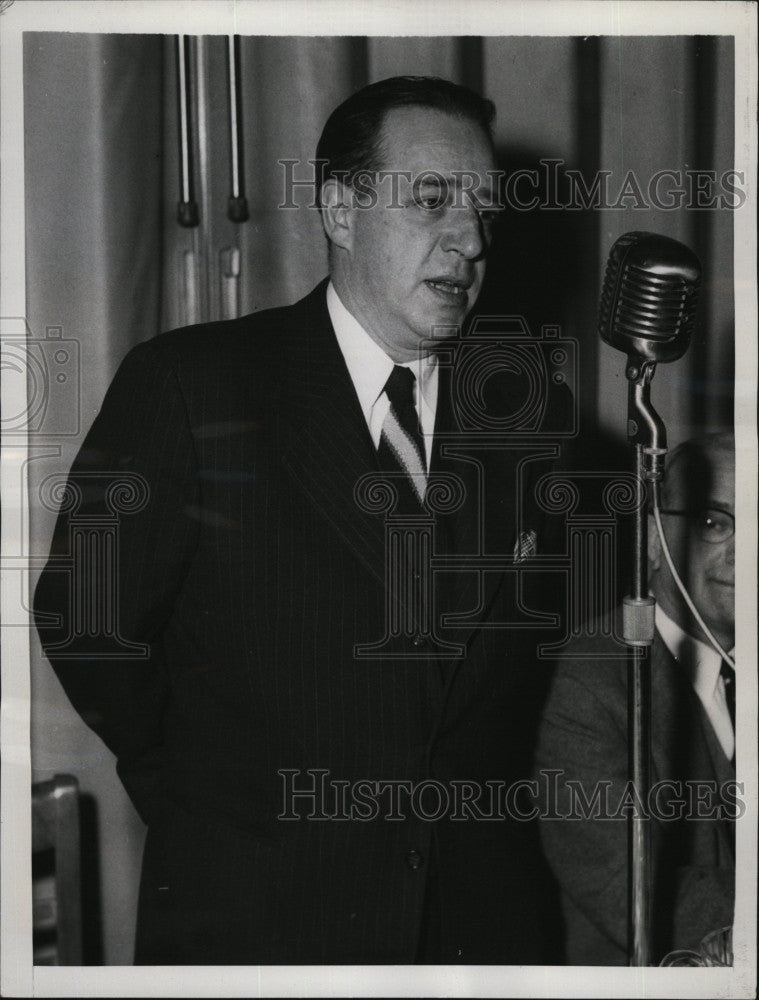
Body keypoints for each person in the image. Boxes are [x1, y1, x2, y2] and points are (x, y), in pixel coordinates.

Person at [34, 76, 571, 965]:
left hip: (477, 931)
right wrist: (216, 800)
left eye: (482, 208)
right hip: (256, 919)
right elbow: (87, 621)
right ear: (339, 209)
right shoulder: (193, 385)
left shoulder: (532, 416)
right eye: (431, 199)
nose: (469, 240)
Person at [535, 432, 736, 964]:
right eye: (715, 523)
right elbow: (631, 886)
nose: (745, 552)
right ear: (652, 540)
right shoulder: (598, 671)